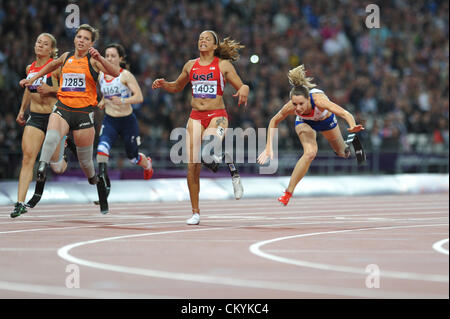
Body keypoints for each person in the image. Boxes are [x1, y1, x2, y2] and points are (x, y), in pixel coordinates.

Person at [19, 24, 121, 214]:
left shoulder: (94, 61)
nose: (81, 40)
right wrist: (32, 79)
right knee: (50, 138)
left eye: (86, 39)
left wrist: (100, 58)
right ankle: (41, 171)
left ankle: (95, 181)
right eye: (79, 37)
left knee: (86, 164)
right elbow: (50, 65)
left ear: (91, 43)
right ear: (75, 39)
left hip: (83, 114)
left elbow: (115, 73)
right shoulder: (66, 57)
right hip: (63, 108)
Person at [152, 30, 249, 225]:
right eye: (200, 38)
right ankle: (195, 212)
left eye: (207, 39)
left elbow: (242, 85)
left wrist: (244, 91)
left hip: (217, 116)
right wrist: (164, 84)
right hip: (195, 117)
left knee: (206, 153)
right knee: (192, 166)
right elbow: (177, 86)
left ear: (215, 46)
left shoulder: (223, 65)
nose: (203, 41)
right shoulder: (190, 65)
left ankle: (227, 163)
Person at [258, 64, 365, 206]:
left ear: (308, 99)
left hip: (326, 121)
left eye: (301, 104)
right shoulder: (292, 107)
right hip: (305, 123)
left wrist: (352, 127)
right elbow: (273, 121)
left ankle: (350, 147)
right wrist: (268, 147)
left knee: (342, 153)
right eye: (295, 104)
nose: (298, 108)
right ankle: (288, 193)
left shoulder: (319, 101)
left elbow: (346, 114)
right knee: (310, 153)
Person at [11, 33, 73, 218]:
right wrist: (22, 110)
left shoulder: (56, 68)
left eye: (45, 44)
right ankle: (20, 203)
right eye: (38, 42)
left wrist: (51, 89)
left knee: (56, 166)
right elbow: (28, 91)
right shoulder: (30, 68)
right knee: (28, 158)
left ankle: (63, 154)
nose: (40, 45)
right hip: (36, 117)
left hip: (56, 116)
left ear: (51, 49)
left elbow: (70, 89)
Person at [96, 43, 153, 198]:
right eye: (107, 56)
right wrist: (103, 101)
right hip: (110, 121)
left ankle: (147, 164)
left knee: (133, 157)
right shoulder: (101, 74)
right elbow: (106, 94)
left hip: (127, 121)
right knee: (102, 148)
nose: (109, 59)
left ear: (120, 58)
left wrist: (122, 100)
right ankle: (103, 187)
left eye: (113, 56)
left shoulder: (125, 75)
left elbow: (139, 97)